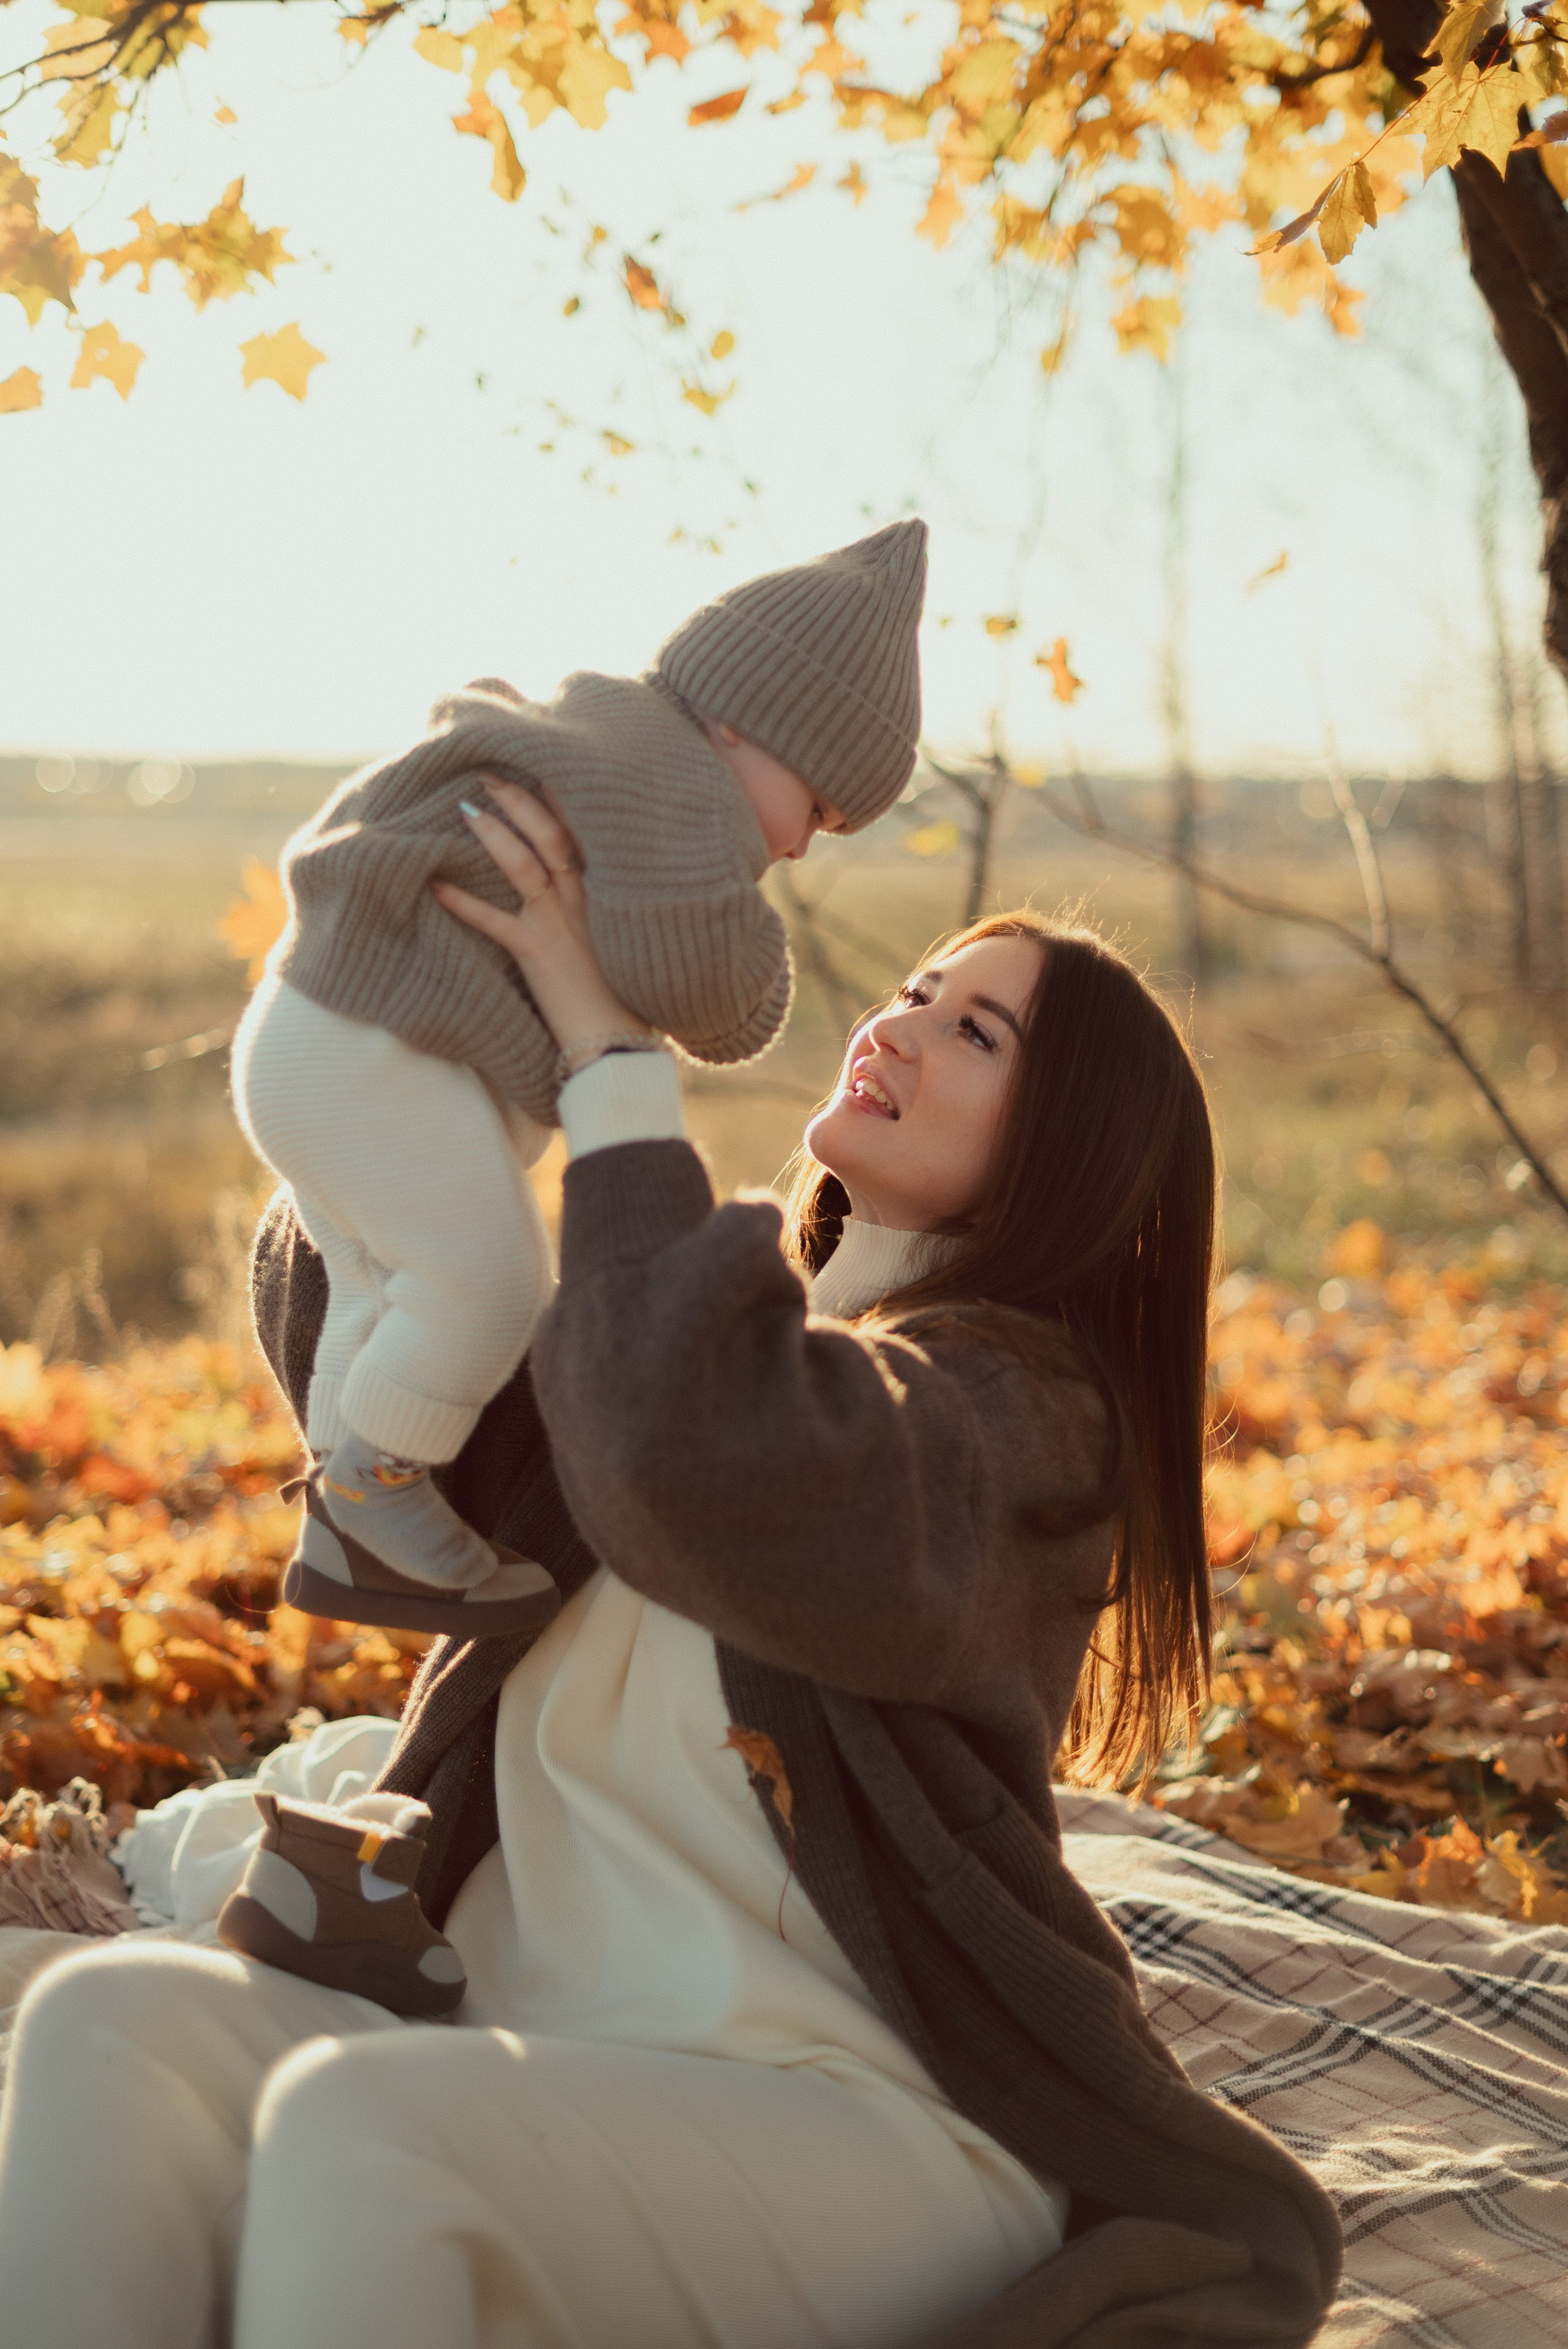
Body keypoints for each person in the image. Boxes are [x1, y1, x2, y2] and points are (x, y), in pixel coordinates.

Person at [0, 782, 1341, 2349]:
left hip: (850, 2114)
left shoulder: (1024, 1427)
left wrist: (612, 1069)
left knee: (367, 2134)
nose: (898, 1027)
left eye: (975, 1032)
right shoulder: (698, 1347)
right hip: (527, 2032)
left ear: (1070, 1149)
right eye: (915, 990)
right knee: (104, 2024)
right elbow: (391, 1395)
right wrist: (395, 1072)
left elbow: (717, 1454)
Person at [230, 520, 926, 1635]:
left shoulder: (593, 730)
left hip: (310, 1034)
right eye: (817, 812)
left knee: (381, 1286)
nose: (801, 850)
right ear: (751, 724)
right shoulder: (674, 789)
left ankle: (350, 1510)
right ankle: (372, 1498)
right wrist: (744, 969)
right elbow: (720, 1000)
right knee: (495, 1285)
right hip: (374, 1058)